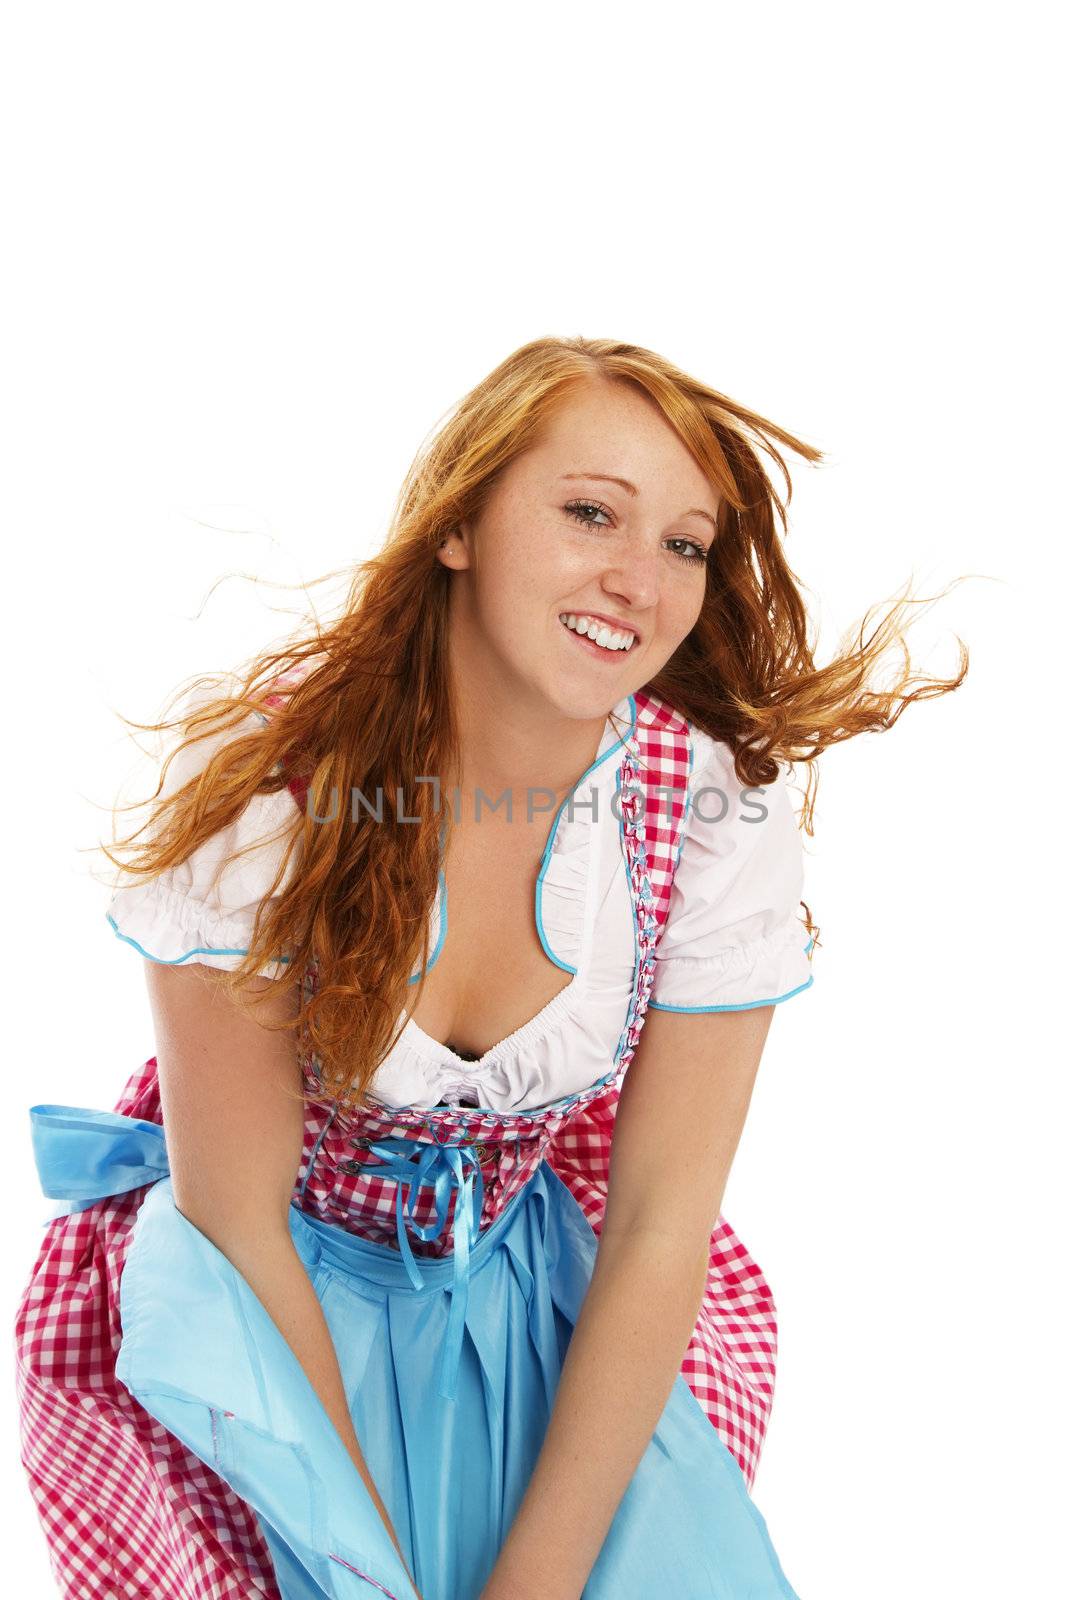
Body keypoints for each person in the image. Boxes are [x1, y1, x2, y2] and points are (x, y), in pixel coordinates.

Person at [14, 336, 967, 1600]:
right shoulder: (270, 791)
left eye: (684, 544)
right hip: (254, 1323)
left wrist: (530, 1584)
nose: (639, 580)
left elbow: (654, 1228)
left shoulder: (706, 810)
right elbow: (238, 1219)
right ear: (459, 522)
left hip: (530, 1306)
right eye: (589, 514)